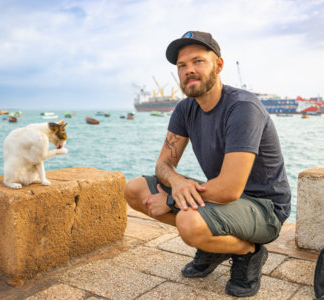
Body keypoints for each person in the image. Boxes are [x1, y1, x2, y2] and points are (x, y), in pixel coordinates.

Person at [124, 31, 291, 298]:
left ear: (219, 65)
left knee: (189, 223)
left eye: (198, 61)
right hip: (222, 202)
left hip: (264, 208)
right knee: (135, 189)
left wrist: (170, 201)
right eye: (182, 65)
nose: (189, 70)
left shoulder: (243, 107)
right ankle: (217, 243)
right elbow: (164, 164)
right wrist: (177, 182)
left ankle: (248, 251)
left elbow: (228, 190)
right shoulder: (185, 109)